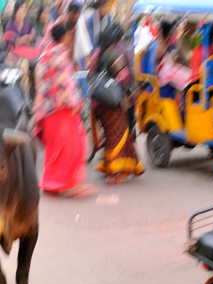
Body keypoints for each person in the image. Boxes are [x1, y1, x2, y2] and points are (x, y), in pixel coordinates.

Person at [33, 23, 97, 198]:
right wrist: (76, 103)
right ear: (65, 37)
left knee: (54, 150)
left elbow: (40, 83)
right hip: (61, 109)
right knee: (74, 146)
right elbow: (66, 84)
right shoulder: (60, 54)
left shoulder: (44, 55)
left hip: (46, 111)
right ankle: (68, 184)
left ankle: (50, 183)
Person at [90, 24, 143, 184]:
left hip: (98, 103)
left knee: (110, 135)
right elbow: (124, 78)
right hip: (113, 102)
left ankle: (111, 167)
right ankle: (115, 171)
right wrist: (134, 93)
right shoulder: (114, 55)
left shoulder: (96, 56)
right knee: (118, 136)